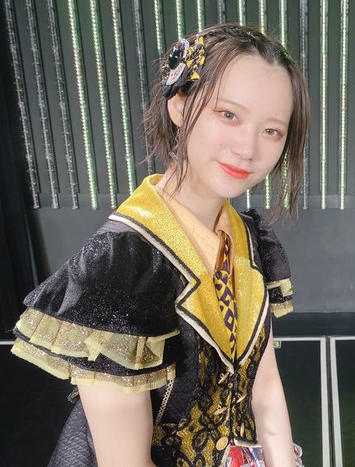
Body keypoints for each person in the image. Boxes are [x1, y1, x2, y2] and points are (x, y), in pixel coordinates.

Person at [12, 23, 309, 467]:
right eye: (229, 114)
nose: (248, 148)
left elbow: (263, 387)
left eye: (272, 131)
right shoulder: (119, 267)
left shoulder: (250, 239)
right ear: (180, 103)